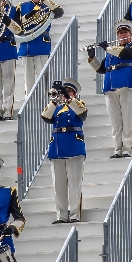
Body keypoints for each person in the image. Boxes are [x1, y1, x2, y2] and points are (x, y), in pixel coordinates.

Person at [87, 21, 132, 158]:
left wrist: (107, 48)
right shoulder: (112, 52)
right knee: (115, 121)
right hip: (110, 86)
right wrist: (92, 57)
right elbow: (102, 69)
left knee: (127, 119)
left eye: (125, 32)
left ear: (130, 34)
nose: (123, 35)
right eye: (120, 33)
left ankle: (127, 148)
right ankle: (117, 148)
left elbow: (129, 54)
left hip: (127, 83)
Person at [41, 79, 86, 224]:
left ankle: (74, 214)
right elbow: (46, 117)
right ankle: (62, 215)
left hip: (74, 147)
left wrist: (69, 98)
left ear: (74, 93)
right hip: (57, 148)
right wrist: (54, 101)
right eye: (63, 91)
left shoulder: (79, 104)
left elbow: (82, 113)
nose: (64, 94)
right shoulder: (57, 108)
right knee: (58, 185)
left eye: (68, 91)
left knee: (74, 183)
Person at [16, 0, 64, 94]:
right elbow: (16, 24)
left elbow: (59, 12)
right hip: (26, 44)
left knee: (43, 79)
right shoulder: (22, 6)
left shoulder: (47, 5)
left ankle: (43, 103)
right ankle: (29, 102)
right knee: (29, 80)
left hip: (41, 44)